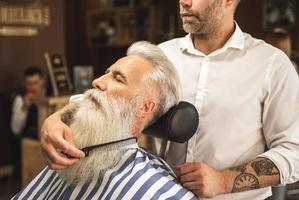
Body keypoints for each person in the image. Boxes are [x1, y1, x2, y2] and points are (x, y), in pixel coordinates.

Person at [40, 0, 299, 199]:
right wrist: (54, 120)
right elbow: (106, 97)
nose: (183, 2)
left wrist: (224, 180)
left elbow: (295, 151)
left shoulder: (270, 65)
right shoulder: (162, 56)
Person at [13, 41, 198, 200]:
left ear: (145, 107)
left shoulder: (159, 191)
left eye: (118, 78)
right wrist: (54, 118)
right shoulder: (78, 144)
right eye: (106, 73)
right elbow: (81, 101)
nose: (97, 81)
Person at [11, 66, 45, 140]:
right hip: (31, 139)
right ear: (25, 83)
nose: (32, 87)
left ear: (42, 82)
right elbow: (15, 130)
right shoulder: (20, 99)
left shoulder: (50, 95)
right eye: (29, 84)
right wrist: (25, 108)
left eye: (35, 83)